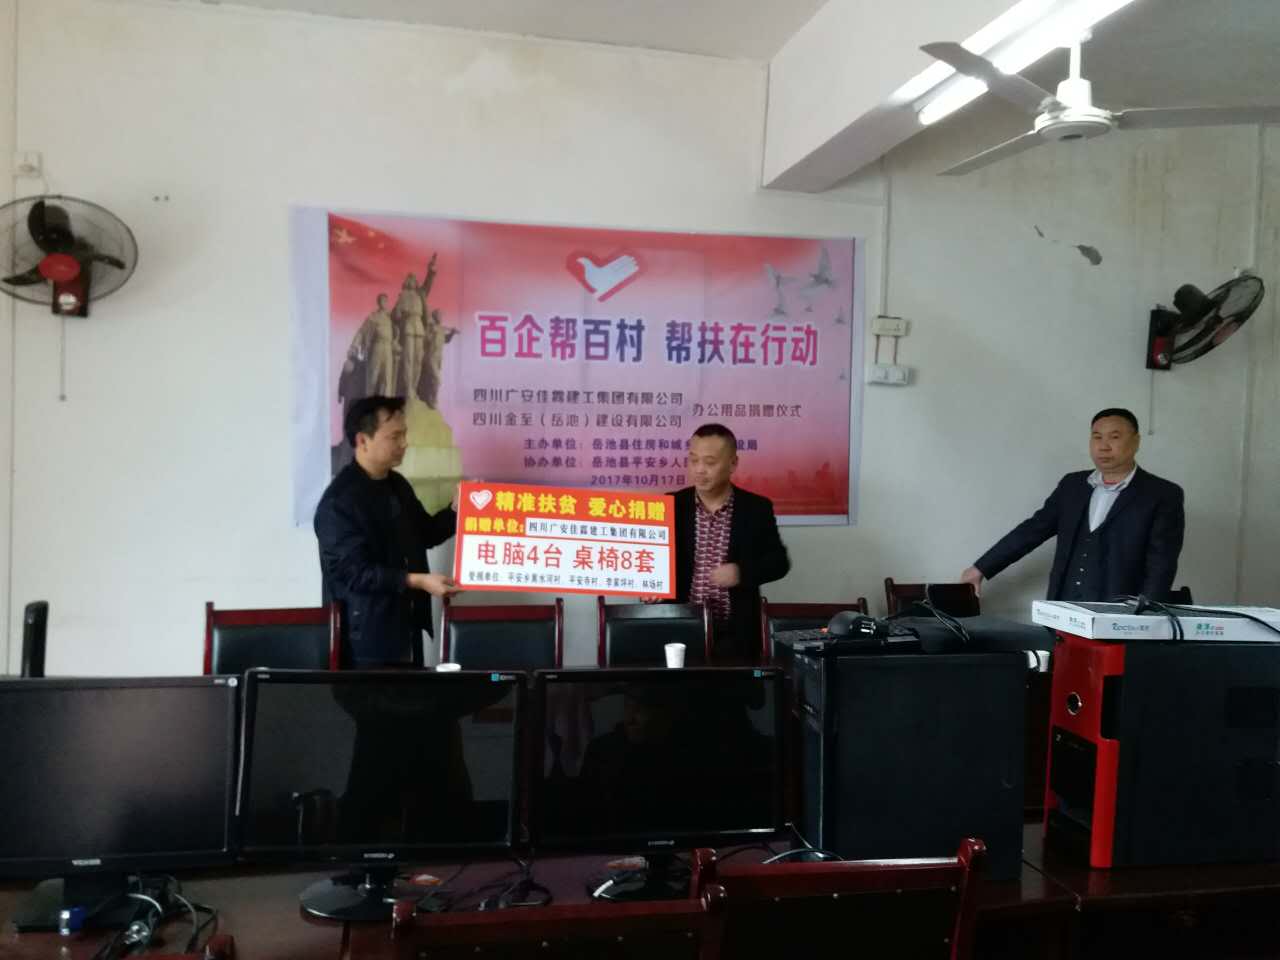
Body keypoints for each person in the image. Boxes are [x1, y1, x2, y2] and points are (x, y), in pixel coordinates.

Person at [960, 408, 1185, 603]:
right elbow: (1032, 530)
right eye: (1097, 437)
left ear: (1136, 441)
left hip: (1121, 614)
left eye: (1114, 437)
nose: (1104, 446)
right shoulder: (1072, 486)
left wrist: (1145, 614)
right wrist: (981, 568)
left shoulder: (1162, 494)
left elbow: (1161, 563)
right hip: (1063, 606)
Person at [314, 395, 459, 667]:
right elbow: (355, 572)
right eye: (394, 436)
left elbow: (425, 533)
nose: (404, 443)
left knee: (410, 693)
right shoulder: (339, 503)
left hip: (406, 624)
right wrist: (417, 581)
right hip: (364, 637)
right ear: (363, 441)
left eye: (404, 434)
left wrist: (456, 511)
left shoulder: (397, 485)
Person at [666, 423, 790, 662]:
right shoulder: (671, 505)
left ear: (733, 464)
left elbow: (779, 562)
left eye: (710, 462)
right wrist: (651, 588)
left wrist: (741, 572)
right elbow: (653, 559)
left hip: (735, 630)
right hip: (680, 626)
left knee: (737, 685)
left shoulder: (755, 508)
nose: (699, 469)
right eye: (693, 460)